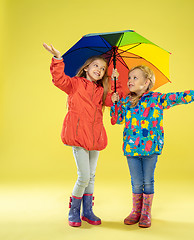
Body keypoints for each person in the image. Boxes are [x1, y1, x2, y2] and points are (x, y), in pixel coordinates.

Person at [111, 65, 194, 228]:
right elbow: (117, 119)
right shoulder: (127, 101)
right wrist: (115, 104)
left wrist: (193, 95)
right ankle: (136, 211)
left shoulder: (156, 98)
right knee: (136, 182)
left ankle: (146, 212)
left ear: (147, 81)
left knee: (147, 181)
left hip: (151, 149)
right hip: (131, 149)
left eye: (135, 77)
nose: (130, 81)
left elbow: (174, 97)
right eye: (129, 78)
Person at [43, 43, 121, 227]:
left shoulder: (101, 91)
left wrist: (116, 87)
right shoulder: (75, 84)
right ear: (86, 67)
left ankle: (88, 211)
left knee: (92, 176)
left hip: (95, 137)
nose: (100, 70)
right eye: (96, 66)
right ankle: (73, 210)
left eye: (103, 69)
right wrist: (57, 58)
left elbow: (112, 101)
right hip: (78, 136)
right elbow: (59, 79)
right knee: (84, 176)